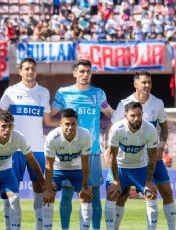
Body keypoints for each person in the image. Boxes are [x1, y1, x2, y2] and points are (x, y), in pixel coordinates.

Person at [51, 58, 114, 230]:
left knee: (93, 195)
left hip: (92, 152)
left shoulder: (98, 94)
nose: (85, 75)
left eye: (88, 72)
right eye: (81, 71)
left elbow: (112, 114)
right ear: (74, 73)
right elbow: (48, 113)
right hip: (69, 152)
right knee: (66, 194)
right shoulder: (63, 93)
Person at [110, 71, 176, 230]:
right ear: (135, 84)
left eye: (149, 82)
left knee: (166, 192)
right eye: (144, 82)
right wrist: (109, 148)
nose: (147, 85)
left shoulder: (157, 103)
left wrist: (161, 146)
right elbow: (114, 128)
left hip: (151, 157)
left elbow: (164, 127)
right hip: (129, 159)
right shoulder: (125, 103)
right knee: (121, 196)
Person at [0, 58, 59, 229]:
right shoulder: (11, 91)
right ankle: (9, 227)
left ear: (36, 71)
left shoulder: (44, 92)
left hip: (38, 148)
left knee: (40, 187)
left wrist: (62, 123)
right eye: (26, 69)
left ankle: (41, 226)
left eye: (32, 69)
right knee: (11, 189)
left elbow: (47, 120)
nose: (30, 72)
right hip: (15, 148)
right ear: (20, 71)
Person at [105, 102, 158, 230]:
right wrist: (116, 180)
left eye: (139, 115)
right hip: (120, 167)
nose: (136, 119)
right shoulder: (117, 129)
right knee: (113, 195)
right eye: (132, 115)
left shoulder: (150, 129)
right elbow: (112, 156)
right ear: (125, 116)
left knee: (151, 194)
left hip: (140, 167)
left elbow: (152, 157)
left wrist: (149, 180)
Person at [42, 109, 93, 230]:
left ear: (77, 123)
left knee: (86, 196)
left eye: (73, 124)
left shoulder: (85, 135)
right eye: (67, 124)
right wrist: (48, 189)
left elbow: (85, 164)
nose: (70, 127)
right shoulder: (52, 137)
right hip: (57, 169)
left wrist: (85, 186)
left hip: (78, 169)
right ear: (60, 123)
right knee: (48, 197)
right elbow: (49, 165)